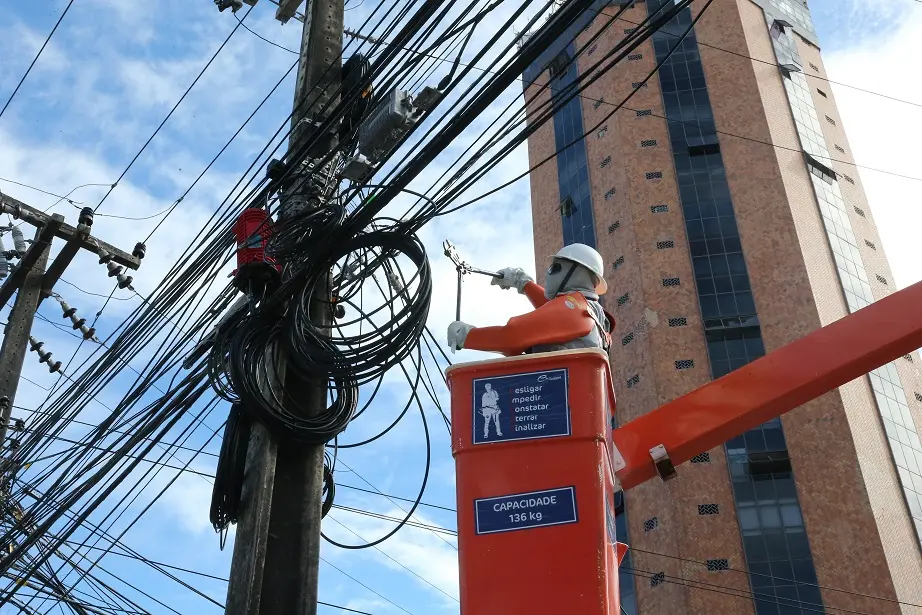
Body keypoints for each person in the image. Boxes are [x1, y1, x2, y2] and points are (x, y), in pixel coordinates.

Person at [447, 243, 615, 356]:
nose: (548, 273)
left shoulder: (576, 309)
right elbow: (550, 313)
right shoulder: (592, 314)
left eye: (555, 268)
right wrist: (523, 283)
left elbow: (512, 337)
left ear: (578, 273)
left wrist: (467, 336)